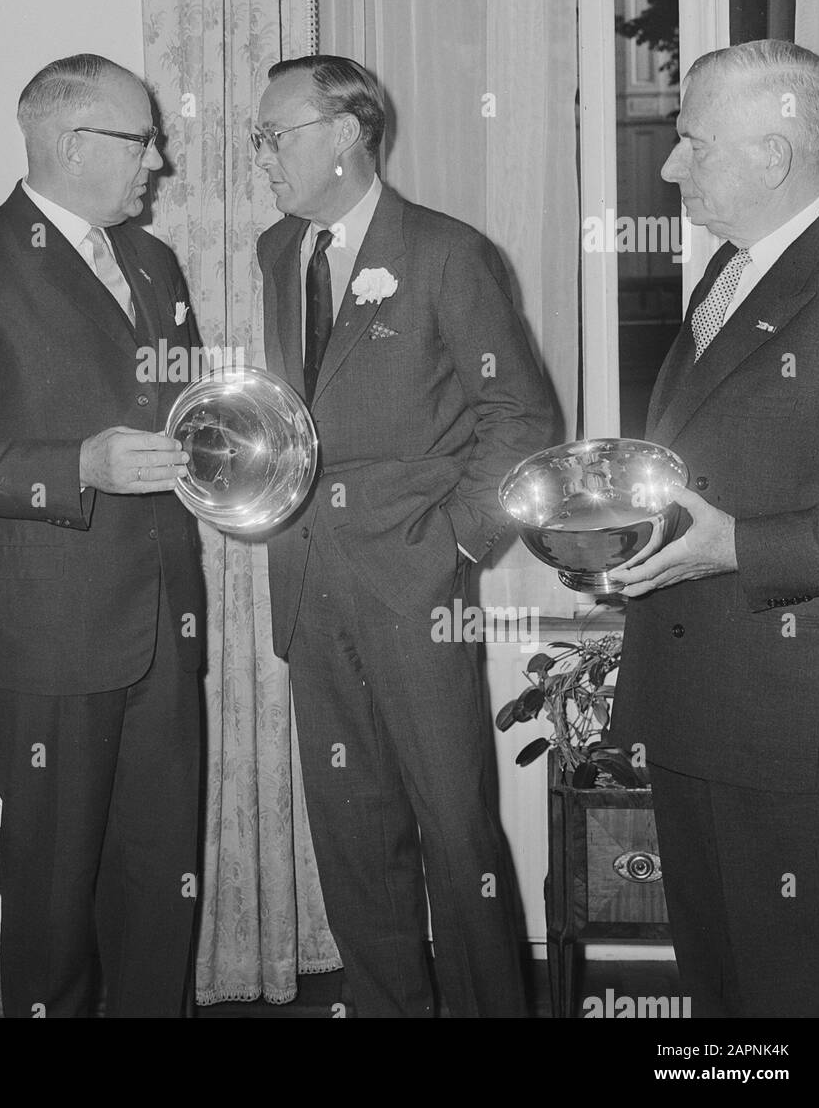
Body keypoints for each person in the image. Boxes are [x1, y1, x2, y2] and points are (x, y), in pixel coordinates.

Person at [0, 53, 205, 1018]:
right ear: (74, 145)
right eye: (141, 139)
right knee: (54, 882)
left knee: (162, 872)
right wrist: (75, 465)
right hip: (46, 632)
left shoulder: (154, 262)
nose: (156, 161)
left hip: (163, 615)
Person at [253, 54, 554, 1017]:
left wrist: (457, 546)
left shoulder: (445, 253)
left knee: (453, 831)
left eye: (275, 134)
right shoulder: (276, 252)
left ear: (345, 133)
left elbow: (522, 419)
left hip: (416, 586)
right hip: (305, 583)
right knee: (350, 830)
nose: (261, 154)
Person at [612, 39, 819, 1018]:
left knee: (792, 984)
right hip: (700, 701)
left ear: (775, 157)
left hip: (797, 723)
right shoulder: (730, 271)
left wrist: (733, 548)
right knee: (716, 982)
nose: (668, 165)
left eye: (691, 142)